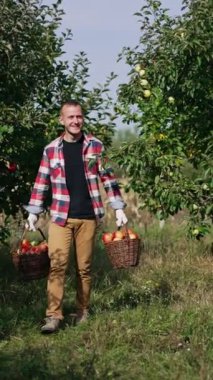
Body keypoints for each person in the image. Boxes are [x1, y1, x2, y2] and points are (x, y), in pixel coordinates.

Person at [24, 100, 128, 333]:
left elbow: (108, 178)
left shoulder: (95, 146)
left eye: (78, 117)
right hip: (61, 216)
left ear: (83, 118)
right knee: (57, 265)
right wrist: (33, 211)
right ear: (62, 120)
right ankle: (53, 316)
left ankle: (83, 310)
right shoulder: (51, 149)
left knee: (84, 268)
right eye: (70, 117)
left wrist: (118, 206)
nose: (75, 121)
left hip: (88, 217)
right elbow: (41, 182)